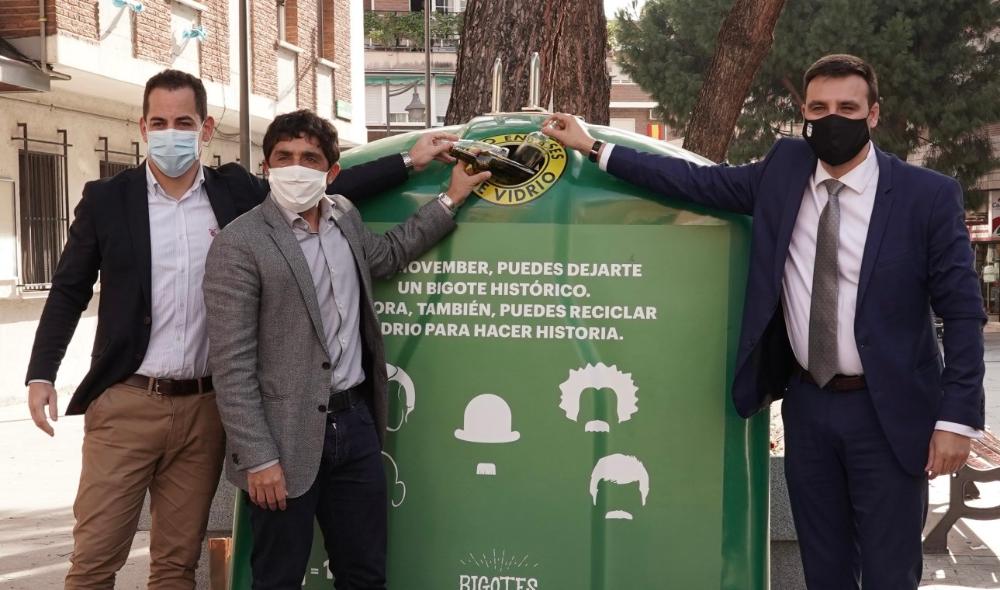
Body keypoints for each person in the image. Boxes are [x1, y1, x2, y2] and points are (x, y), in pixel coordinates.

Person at [543, 54, 985, 589]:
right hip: (809, 406)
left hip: (889, 412)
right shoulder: (783, 172)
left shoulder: (926, 195)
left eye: (847, 108)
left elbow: (963, 312)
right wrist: (593, 146)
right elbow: (693, 182)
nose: (832, 119)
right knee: (824, 569)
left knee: (890, 573)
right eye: (818, 108)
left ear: (873, 114)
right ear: (804, 113)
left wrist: (955, 421)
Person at [24, 68, 456, 589]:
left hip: (205, 406)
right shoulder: (108, 199)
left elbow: (318, 183)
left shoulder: (234, 191)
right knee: (95, 558)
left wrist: (410, 161)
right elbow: (69, 288)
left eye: (184, 122)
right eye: (159, 122)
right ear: (143, 127)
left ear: (205, 129)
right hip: (129, 399)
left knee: (177, 563)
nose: (171, 133)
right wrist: (42, 372)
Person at [203, 109, 489, 590]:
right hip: (282, 439)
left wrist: (452, 197)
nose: (296, 168)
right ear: (266, 167)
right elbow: (231, 366)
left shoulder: (344, 217)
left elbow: (388, 255)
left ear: (331, 171)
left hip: (354, 426)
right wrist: (258, 458)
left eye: (309, 158)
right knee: (278, 579)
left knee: (364, 575)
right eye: (283, 157)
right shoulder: (240, 243)